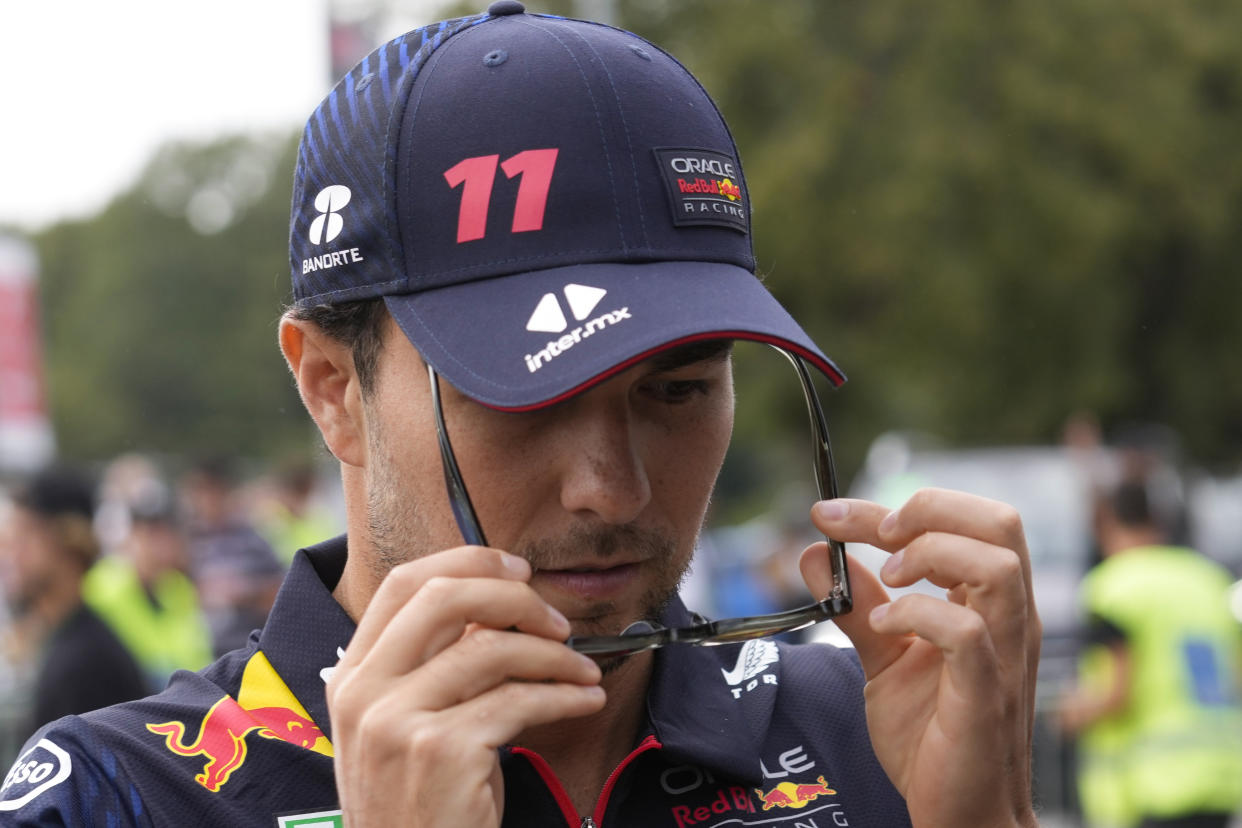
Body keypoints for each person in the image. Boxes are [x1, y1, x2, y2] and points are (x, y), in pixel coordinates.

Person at [0, 5, 1040, 826]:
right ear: (331, 388)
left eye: (677, 390)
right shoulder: (118, 796)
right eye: (523, 393)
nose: (615, 488)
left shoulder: (861, 727)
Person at [1059, 479, 1242, 828]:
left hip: (1153, 784)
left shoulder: (1112, 586)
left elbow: (1116, 695)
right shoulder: (1208, 578)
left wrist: (1073, 714)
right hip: (1222, 775)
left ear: (1103, 521)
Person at [0, 467, 147, 748]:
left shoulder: (84, 662)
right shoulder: (59, 637)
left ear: (71, 541)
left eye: (23, 535)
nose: (7, 553)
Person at [82, 491, 213, 691]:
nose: (159, 543)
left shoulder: (179, 588)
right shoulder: (101, 585)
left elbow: (198, 655)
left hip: (180, 695)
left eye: (167, 532)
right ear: (131, 535)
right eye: (150, 533)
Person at [180, 456, 285, 656]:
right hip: (197, 650)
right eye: (199, 492)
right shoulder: (185, 540)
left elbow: (281, 589)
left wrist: (244, 593)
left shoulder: (253, 539)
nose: (205, 500)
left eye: (211, 491)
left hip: (244, 646)